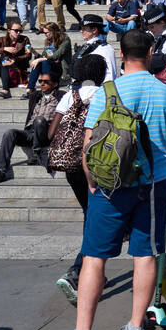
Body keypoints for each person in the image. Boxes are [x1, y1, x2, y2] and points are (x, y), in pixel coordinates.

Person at [51, 28, 166, 330]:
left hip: (110, 184)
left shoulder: (107, 92)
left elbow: (88, 143)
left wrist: (91, 178)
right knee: (146, 255)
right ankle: (135, 329)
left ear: (122, 55)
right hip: (153, 184)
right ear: (151, 53)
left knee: (95, 256)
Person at [49, 52, 109, 304]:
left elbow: (52, 131)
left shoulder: (69, 95)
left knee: (90, 212)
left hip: (71, 165)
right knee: (94, 216)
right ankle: (77, 271)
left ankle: (90, 272)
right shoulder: (105, 95)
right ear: (101, 74)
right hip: (95, 163)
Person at [24, 22, 71, 98]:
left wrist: (40, 59)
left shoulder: (65, 39)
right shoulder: (48, 41)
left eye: (47, 32)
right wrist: (34, 52)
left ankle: (48, 87)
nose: (45, 35)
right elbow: (43, 56)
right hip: (49, 66)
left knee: (43, 62)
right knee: (40, 63)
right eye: (44, 33)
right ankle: (30, 89)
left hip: (60, 67)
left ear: (54, 31)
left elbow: (56, 55)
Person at [73, 13, 118, 82]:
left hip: (96, 90)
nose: (81, 31)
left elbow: (110, 76)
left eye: (84, 28)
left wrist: (105, 93)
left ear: (94, 30)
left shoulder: (105, 49)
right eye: (81, 28)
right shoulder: (85, 46)